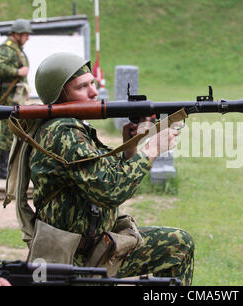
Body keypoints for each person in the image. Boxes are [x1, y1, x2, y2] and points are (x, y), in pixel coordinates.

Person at [21, 52, 194, 285]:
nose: (94, 92)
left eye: (93, 83)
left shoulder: (75, 125)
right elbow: (111, 190)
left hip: (98, 246)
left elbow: (97, 175)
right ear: (60, 96)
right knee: (178, 245)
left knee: (178, 244)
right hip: (73, 260)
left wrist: (129, 150)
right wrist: (151, 149)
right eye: (82, 87)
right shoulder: (62, 132)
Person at [0, 18, 32, 179]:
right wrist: (18, 72)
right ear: (17, 34)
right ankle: (3, 169)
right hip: (8, 95)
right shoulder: (6, 49)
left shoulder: (17, 49)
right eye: (25, 34)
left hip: (17, 94)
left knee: (15, 130)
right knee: (7, 131)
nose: (28, 37)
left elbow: (24, 73)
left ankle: (10, 166)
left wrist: (27, 88)